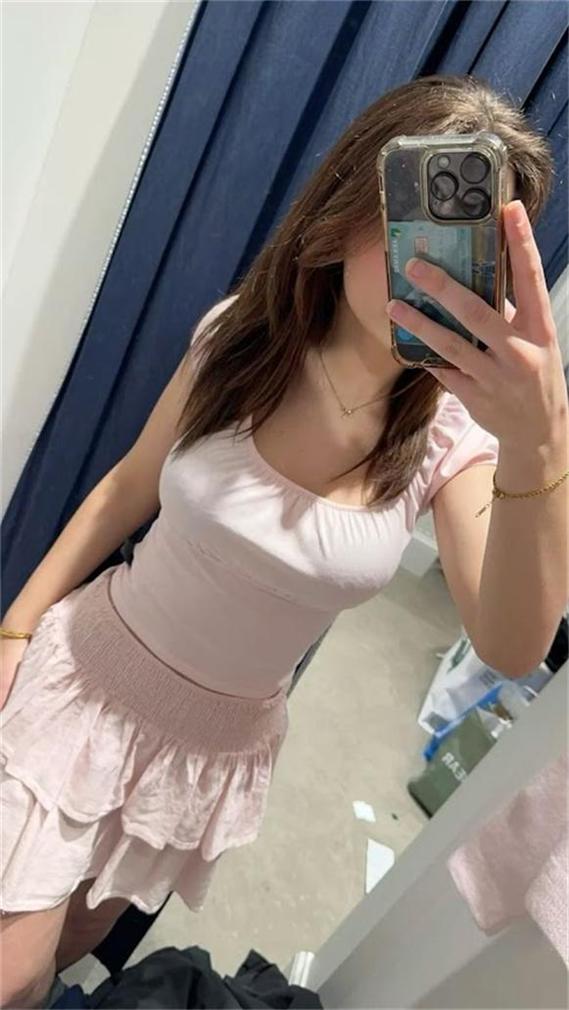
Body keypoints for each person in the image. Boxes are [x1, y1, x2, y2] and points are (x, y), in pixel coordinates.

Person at [1, 73, 567, 1009]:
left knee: (66, 952)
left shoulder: (452, 441)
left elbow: (511, 645)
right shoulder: (241, 339)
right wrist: (16, 629)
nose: (427, 262)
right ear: (347, 209)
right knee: (12, 974)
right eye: (410, 215)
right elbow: (126, 487)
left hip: (202, 756)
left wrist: (538, 443)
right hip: (89, 681)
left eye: (465, 239)